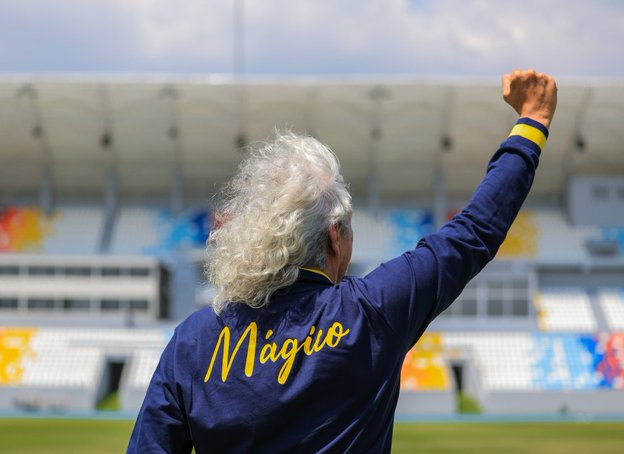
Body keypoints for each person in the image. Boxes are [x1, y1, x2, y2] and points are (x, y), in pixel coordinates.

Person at [127, 69, 558, 453]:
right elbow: (473, 233)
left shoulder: (193, 341)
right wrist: (532, 124)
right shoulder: (371, 311)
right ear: (335, 236)